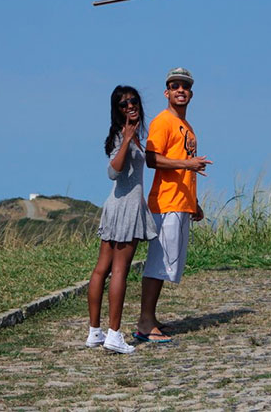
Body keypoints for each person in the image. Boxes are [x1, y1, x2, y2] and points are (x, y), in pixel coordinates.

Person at [134, 67, 213, 343]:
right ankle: (144, 322)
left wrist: (194, 202)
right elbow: (153, 159)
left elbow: (185, 169)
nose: (181, 90)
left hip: (181, 202)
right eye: (175, 86)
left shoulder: (187, 127)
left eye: (185, 87)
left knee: (168, 263)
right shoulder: (162, 122)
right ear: (166, 92)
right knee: (158, 263)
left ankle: (151, 317)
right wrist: (187, 163)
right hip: (165, 202)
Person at [86, 85, 158, 354]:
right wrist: (127, 139)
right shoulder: (123, 135)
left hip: (117, 206)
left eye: (133, 100)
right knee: (118, 271)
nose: (130, 105)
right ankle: (114, 335)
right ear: (117, 110)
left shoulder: (132, 134)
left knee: (101, 269)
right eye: (123, 103)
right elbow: (113, 172)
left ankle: (95, 332)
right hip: (126, 208)